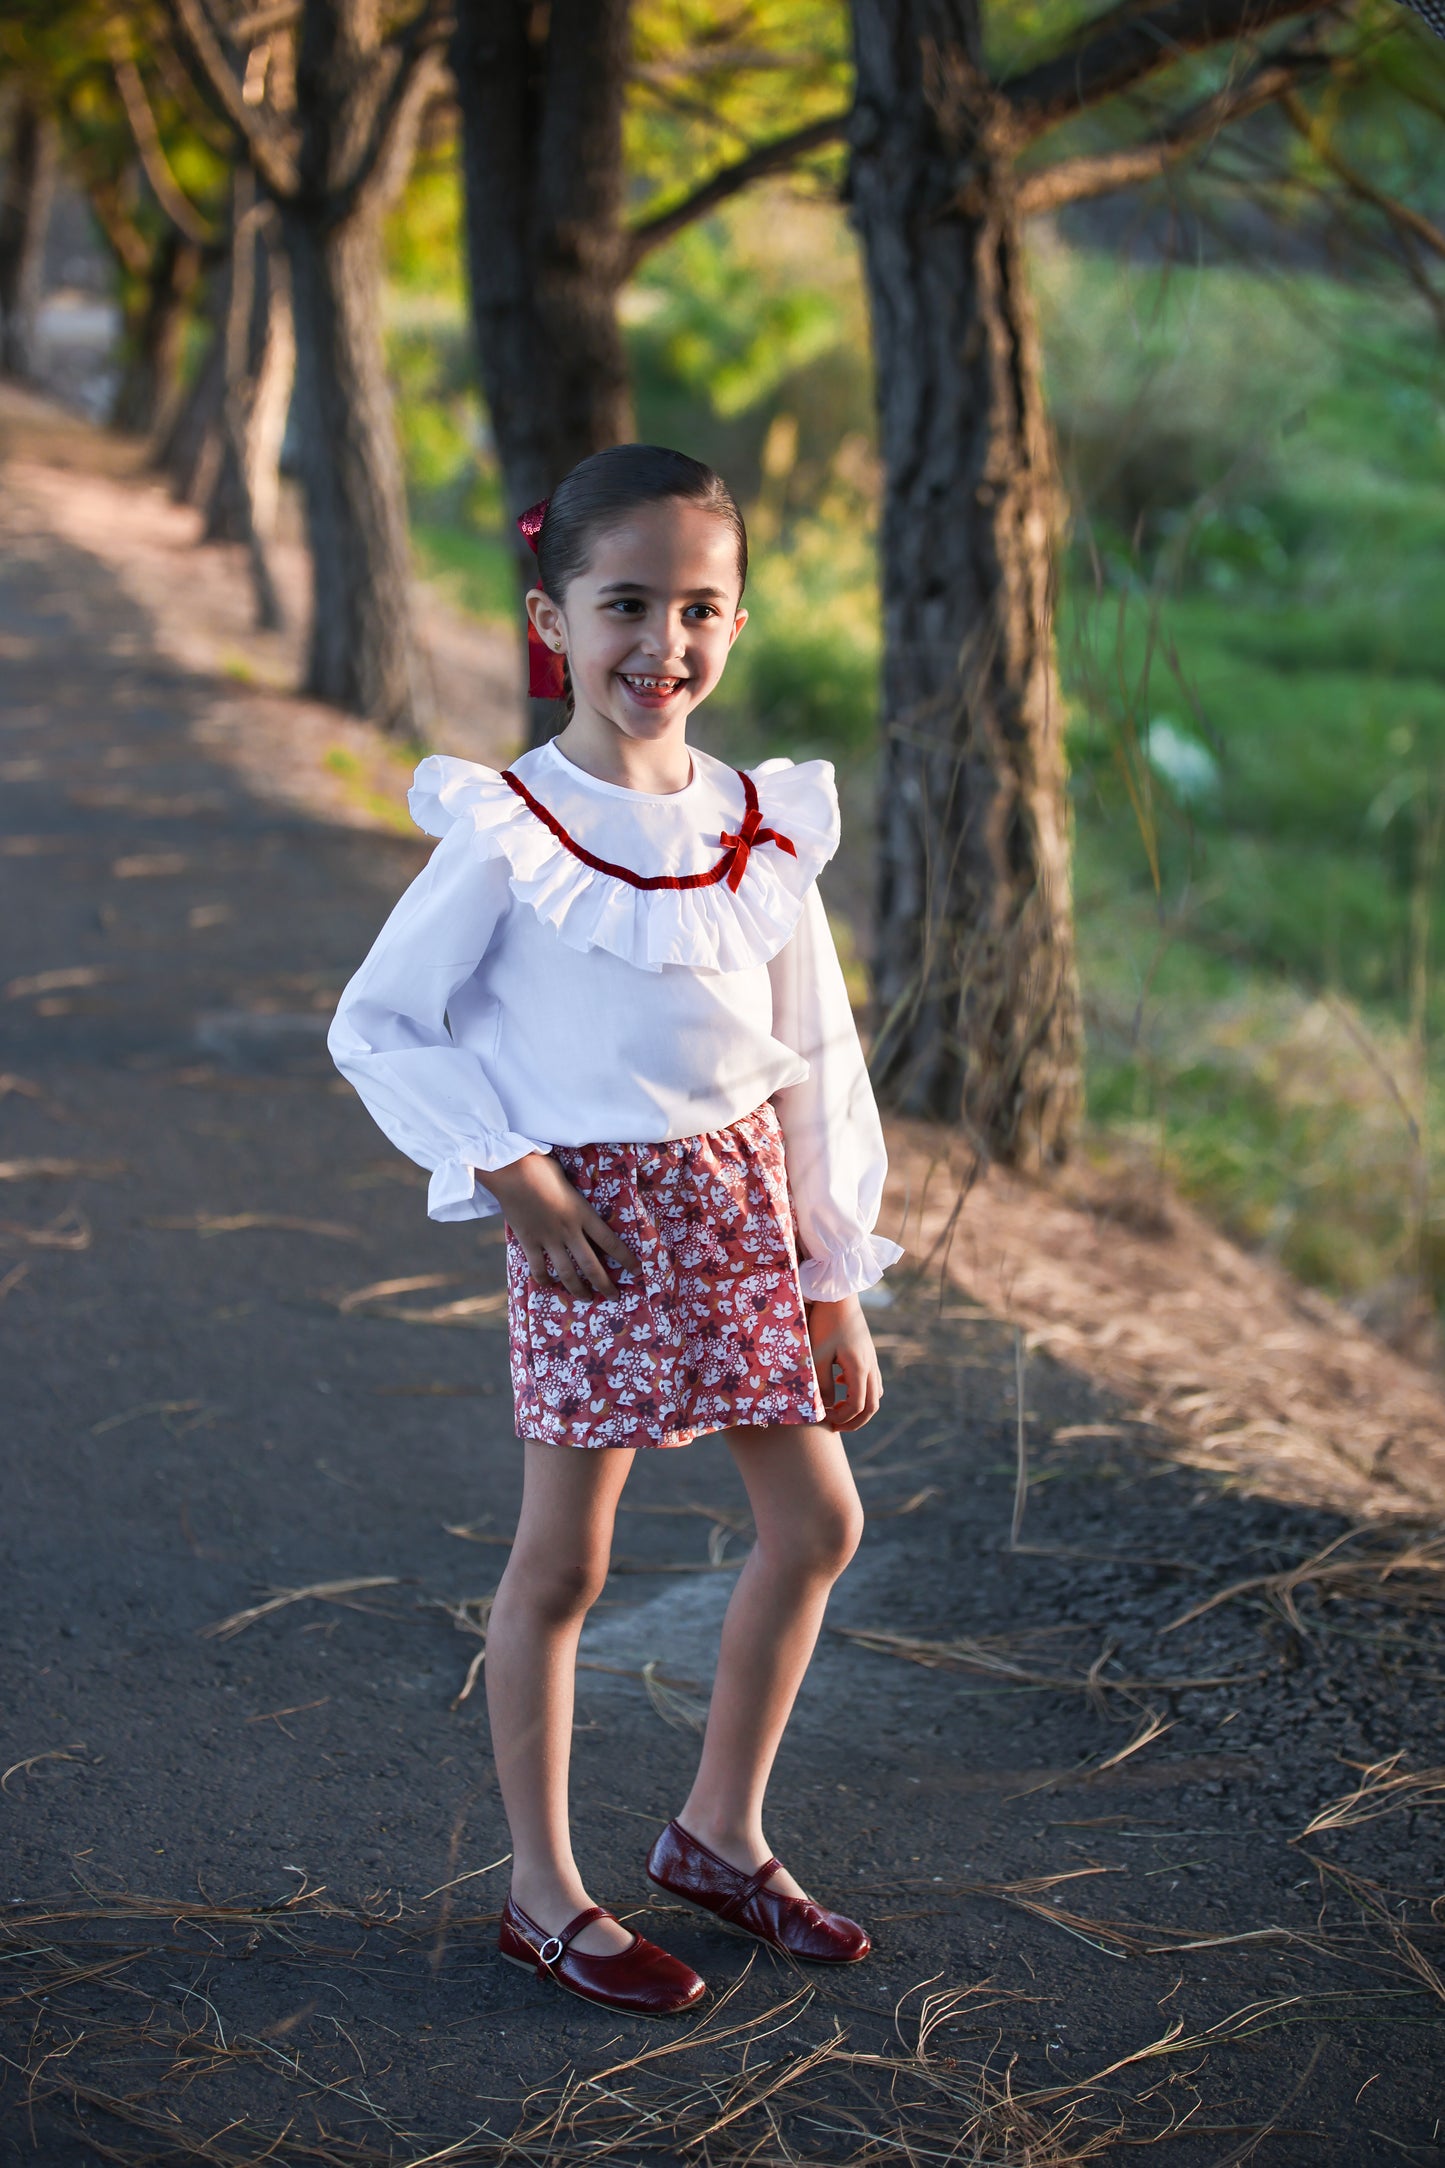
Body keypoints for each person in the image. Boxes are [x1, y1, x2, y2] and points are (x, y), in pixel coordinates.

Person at [329, 444, 903, 2019]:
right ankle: (543, 1892)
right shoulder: (512, 825)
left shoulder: (760, 822)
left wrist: (832, 1277)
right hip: (591, 1226)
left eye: (699, 607)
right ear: (550, 616)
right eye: (625, 603)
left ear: (736, 620)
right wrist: (515, 1177)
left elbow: (813, 1062)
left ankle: (719, 1833)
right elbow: (378, 1024)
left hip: (738, 1214)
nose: (664, 643)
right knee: (565, 1564)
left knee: (817, 1526)